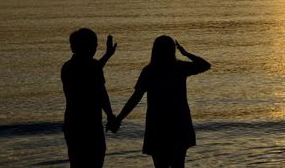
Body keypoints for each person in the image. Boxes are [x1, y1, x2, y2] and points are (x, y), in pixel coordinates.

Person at [116, 36, 210, 168]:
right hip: (179, 122)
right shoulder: (179, 68)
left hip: (157, 124)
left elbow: (135, 98)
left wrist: (119, 118)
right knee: (178, 164)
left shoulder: (149, 71)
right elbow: (205, 65)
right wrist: (186, 53)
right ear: (172, 51)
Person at [61, 28, 119, 168]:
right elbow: (101, 94)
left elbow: (89, 71)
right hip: (91, 124)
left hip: (72, 124)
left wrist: (107, 55)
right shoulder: (93, 67)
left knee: (76, 162)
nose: (96, 47)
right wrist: (110, 115)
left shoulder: (67, 67)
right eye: (94, 44)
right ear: (87, 47)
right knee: (95, 160)